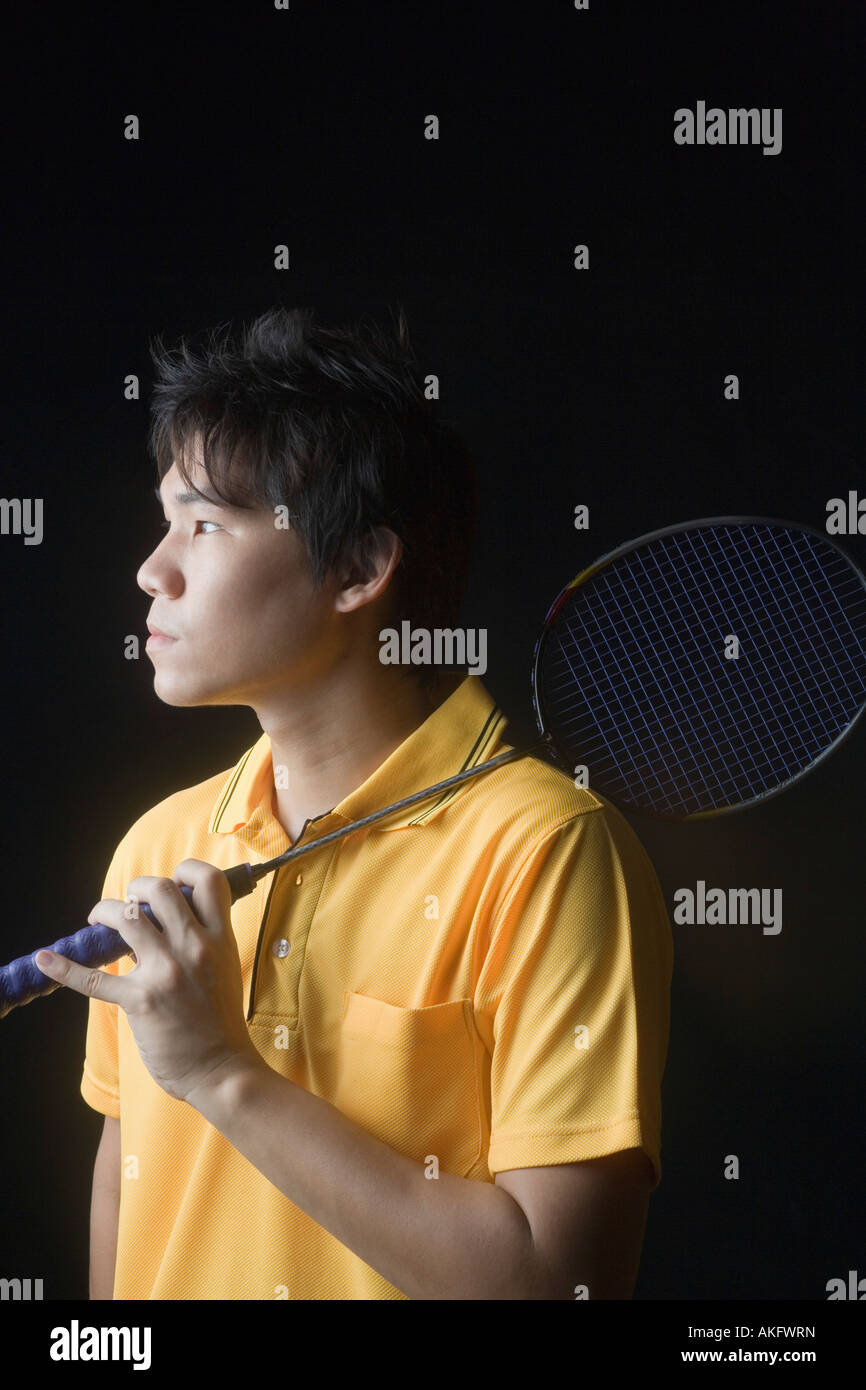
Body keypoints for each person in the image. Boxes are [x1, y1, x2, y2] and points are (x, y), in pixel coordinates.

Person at [38, 305, 673, 1300]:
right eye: (166, 520)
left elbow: (554, 1284)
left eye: (203, 525)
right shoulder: (158, 843)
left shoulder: (545, 849)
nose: (152, 569)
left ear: (360, 567)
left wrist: (221, 1071)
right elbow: (127, 1192)